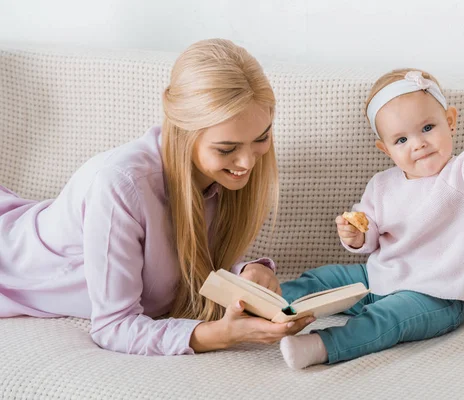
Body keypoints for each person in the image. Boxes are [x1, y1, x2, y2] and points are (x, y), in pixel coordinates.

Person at [0, 38, 314, 356]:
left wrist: (246, 274)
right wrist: (219, 335)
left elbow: (178, 267)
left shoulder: (220, 179)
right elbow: (113, 327)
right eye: (227, 149)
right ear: (184, 132)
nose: (247, 162)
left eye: (261, 138)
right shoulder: (121, 185)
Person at [279, 69, 464, 369]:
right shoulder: (382, 185)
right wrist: (356, 237)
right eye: (401, 140)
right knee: (322, 279)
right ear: (386, 150)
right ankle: (270, 303)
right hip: (379, 277)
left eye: (427, 127)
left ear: (450, 121)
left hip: (437, 296)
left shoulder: (462, 175)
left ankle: (322, 345)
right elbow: (369, 235)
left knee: (387, 318)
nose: (418, 144)